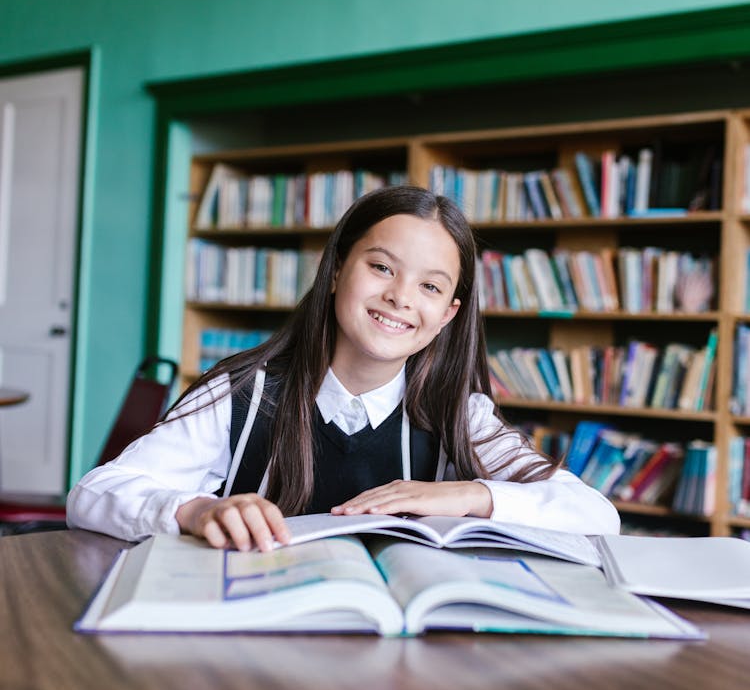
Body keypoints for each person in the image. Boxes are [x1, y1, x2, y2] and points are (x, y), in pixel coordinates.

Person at [67, 185, 620, 549]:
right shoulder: (240, 394)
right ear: (335, 272)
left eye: (430, 285)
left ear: (449, 314)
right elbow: (93, 494)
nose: (402, 297)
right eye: (381, 267)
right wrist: (192, 511)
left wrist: (470, 495)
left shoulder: (459, 413)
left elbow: (596, 515)